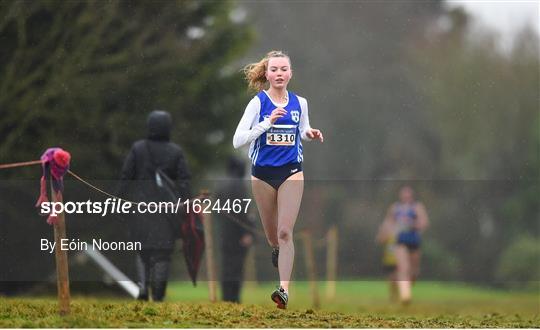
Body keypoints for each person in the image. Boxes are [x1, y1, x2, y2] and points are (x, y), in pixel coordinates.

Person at [233, 50, 324, 309]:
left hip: (292, 172)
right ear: (267, 73)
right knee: (273, 236)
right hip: (261, 174)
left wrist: (310, 133)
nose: (279, 73)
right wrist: (266, 123)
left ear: (290, 73)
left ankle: (283, 290)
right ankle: (276, 248)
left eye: (284, 69)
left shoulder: (300, 102)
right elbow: (238, 140)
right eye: (274, 69)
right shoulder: (258, 103)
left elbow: (302, 129)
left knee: (286, 232)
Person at [118, 110, 191, 302]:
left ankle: (143, 289)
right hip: (167, 211)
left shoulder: (138, 148)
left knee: (142, 251)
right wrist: (187, 203)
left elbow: (127, 176)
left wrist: (118, 199)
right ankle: (158, 296)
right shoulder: (175, 151)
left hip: (140, 208)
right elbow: (184, 181)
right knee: (162, 253)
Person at [216, 156, 255, 303]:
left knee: (226, 266)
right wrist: (246, 232)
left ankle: (226, 297)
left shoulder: (221, 185)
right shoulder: (239, 185)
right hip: (238, 235)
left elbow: (218, 210)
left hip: (225, 233)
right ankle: (234, 298)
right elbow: (242, 212)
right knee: (237, 267)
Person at [383, 185, 429, 304]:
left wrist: (413, 224)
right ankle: (405, 295)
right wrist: (388, 233)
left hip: (414, 241)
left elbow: (424, 222)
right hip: (400, 241)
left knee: (413, 273)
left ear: (412, 196)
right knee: (403, 268)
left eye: (408, 194)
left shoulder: (417, 207)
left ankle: (406, 287)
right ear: (400, 195)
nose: (406, 196)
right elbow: (388, 223)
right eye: (404, 194)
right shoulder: (395, 208)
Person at [376, 213, 398, 302]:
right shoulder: (386, 227)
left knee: (397, 277)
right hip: (389, 257)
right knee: (391, 278)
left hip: (400, 258)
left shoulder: (402, 225)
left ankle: (399, 295)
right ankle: (393, 296)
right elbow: (379, 240)